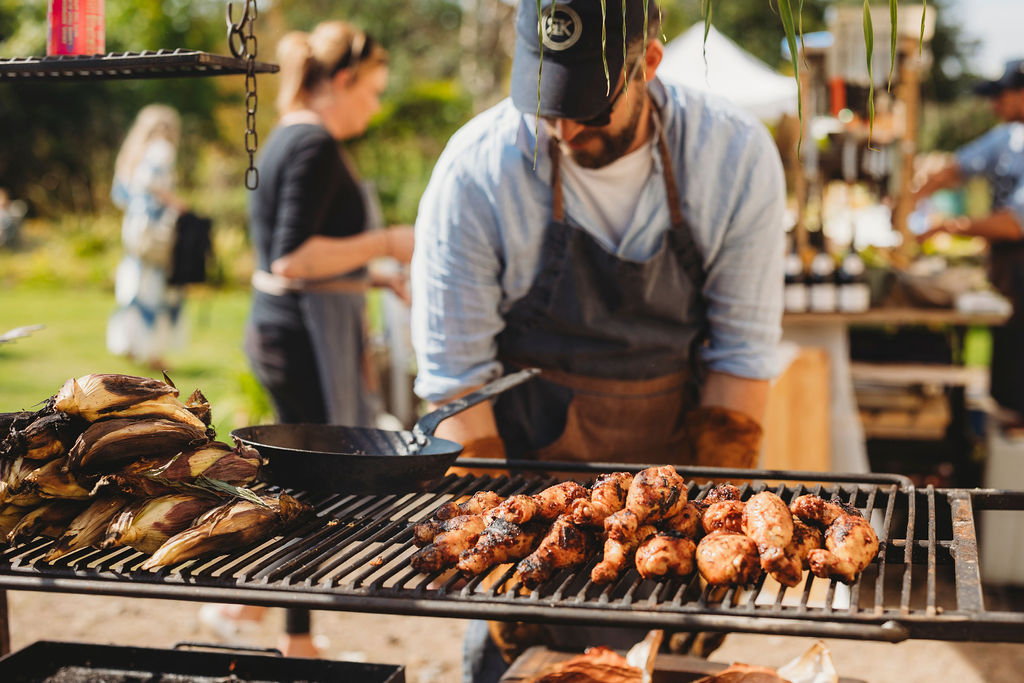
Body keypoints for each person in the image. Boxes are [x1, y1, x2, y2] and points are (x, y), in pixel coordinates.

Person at [410, 1, 785, 680]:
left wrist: (720, 532)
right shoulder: (474, 173)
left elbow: (741, 360)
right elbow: (455, 380)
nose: (560, 128)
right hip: (525, 501)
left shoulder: (733, 154)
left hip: (674, 509)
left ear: (650, 63)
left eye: (586, 107)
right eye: (543, 101)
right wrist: (499, 552)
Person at [200, 20, 415, 659]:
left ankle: (260, 616)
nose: (374, 108)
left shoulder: (290, 137)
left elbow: (287, 255)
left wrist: (370, 274)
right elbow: (294, 258)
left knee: (297, 484)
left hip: (284, 329)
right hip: (299, 339)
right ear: (341, 81)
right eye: (373, 92)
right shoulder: (314, 144)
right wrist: (386, 243)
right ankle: (266, 622)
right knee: (307, 487)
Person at [912, 58, 1024, 428]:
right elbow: (957, 168)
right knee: (1008, 369)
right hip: (1011, 275)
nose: (994, 104)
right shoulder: (1008, 136)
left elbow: (1015, 225)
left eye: (1001, 95)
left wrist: (949, 225)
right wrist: (916, 192)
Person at [107, 104, 190, 369]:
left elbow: (119, 195)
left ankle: (130, 345)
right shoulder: (161, 149)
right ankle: (154, 353)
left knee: (135, 285)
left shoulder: (131, 153)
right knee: (159, 289)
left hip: (133, 226)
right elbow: (148, 182)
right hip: (155, 228)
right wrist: (176, 203)